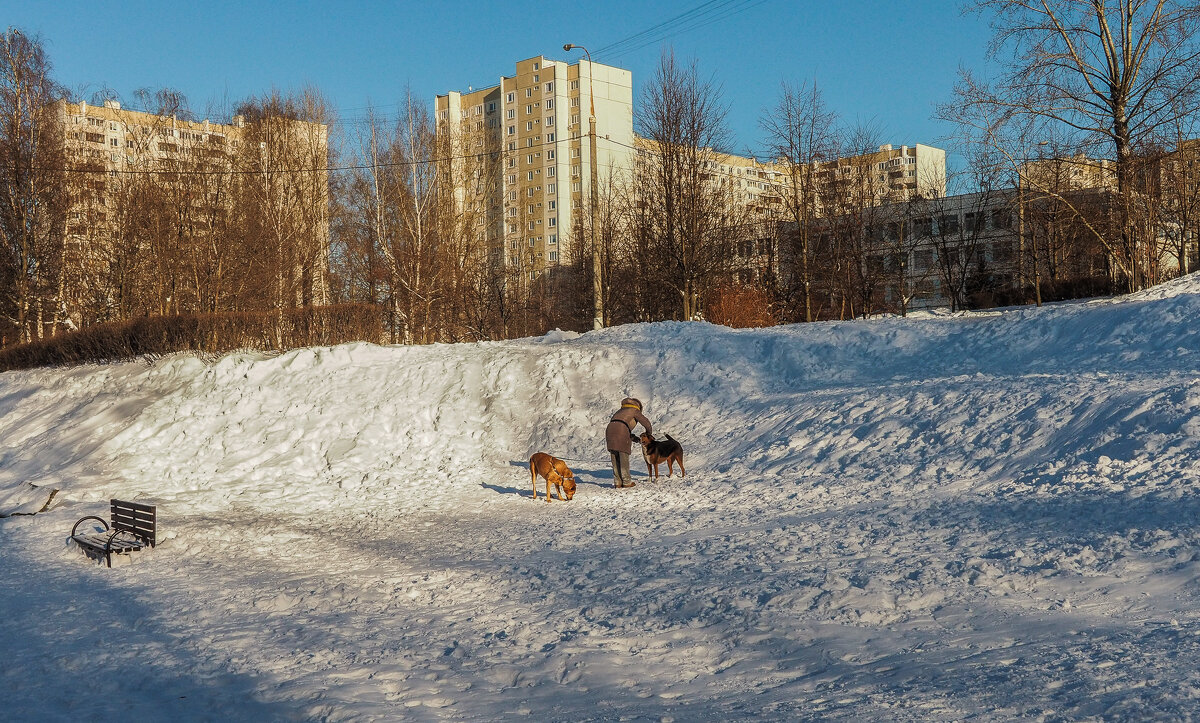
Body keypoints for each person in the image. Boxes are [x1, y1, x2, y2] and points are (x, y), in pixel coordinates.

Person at [606, 397, 652, 489]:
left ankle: (617, 482)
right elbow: (646, 422)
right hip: (621, 430)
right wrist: (648, 433)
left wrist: (634, 438)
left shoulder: (620, 411)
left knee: (615, 456)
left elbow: (622, 426)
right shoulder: (634, 410)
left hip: (610, 430)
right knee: (623, 456)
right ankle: (626, 482)